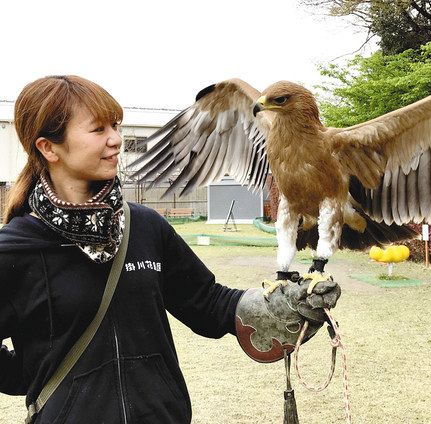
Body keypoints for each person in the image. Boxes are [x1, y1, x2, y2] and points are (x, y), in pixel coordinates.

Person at [0, 75, 340, 423]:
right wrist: (37, 379)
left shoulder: (144, 227)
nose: (116, 140)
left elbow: (207, 302)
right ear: (48, 148)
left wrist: (275, 308)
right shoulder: (15, 251)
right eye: (98, 130)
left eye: (115, 125)